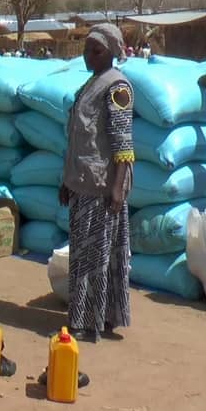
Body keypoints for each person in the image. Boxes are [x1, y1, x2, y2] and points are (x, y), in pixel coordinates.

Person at [60, 23, 133, 342]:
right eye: (87, 49)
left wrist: (117, 188)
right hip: (82, 183)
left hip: (103, 187)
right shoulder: (91, 84)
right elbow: (78, 139)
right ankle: (84, 318)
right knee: (81, 255)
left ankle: (94, 321)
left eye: (96, 50)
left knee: (98, 257)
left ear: (113, 53)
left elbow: (123, 143)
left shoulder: (117, 88)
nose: (88, 55)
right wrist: (67, 180)